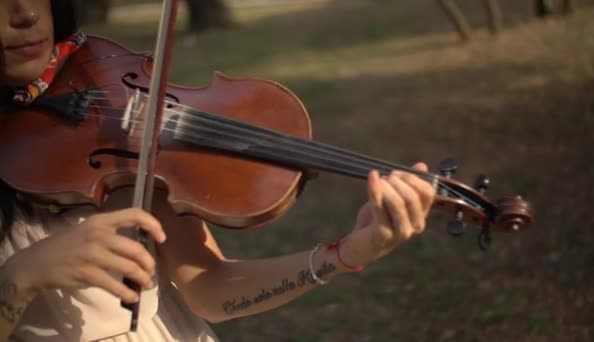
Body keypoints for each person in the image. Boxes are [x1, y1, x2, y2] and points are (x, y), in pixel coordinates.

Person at [0, 0, 436, 341]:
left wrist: (345, 254)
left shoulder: (103, 100)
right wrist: (21, 278)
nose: (26, 14)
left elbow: (210, 289)